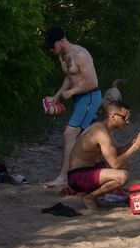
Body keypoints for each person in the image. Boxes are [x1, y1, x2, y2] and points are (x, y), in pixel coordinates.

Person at [42, 27, 102, 188]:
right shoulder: (62, 55)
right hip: (79, 98)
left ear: (61, 41)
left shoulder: (80, 55)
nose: (50, 49)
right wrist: (57, 96)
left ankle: (64, 177)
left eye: (52, 45)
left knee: (69, 134)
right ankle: (108, 168)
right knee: (95, 135)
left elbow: (93, 83)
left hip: (90, 97)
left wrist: (73, 91)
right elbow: (70, 78)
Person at [65, 99, 140, 211]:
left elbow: (115, 152)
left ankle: (91, 194)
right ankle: (90, 197)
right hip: (77, 178)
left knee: (125, 165)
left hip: (86, 171)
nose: (127, 122)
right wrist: (136, 146)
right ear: (113, 116)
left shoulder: (104, 129)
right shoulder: (101, 133)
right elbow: (114, 164)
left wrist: (132, 143)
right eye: (125, 118)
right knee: (122, 176)